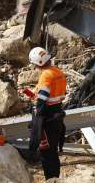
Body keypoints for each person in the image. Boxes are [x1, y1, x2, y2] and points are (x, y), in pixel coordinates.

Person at [28, 47, 66, 180]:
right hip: (57, 114)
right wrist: (33, 93)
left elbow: (42, 100)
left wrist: (37, 116)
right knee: (53, 152)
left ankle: (50, 179)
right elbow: (51, 94)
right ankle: (55, 178)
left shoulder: (46, 75)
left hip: (48, 118)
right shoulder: (57, 72)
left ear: (37, 63)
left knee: (46, 153)